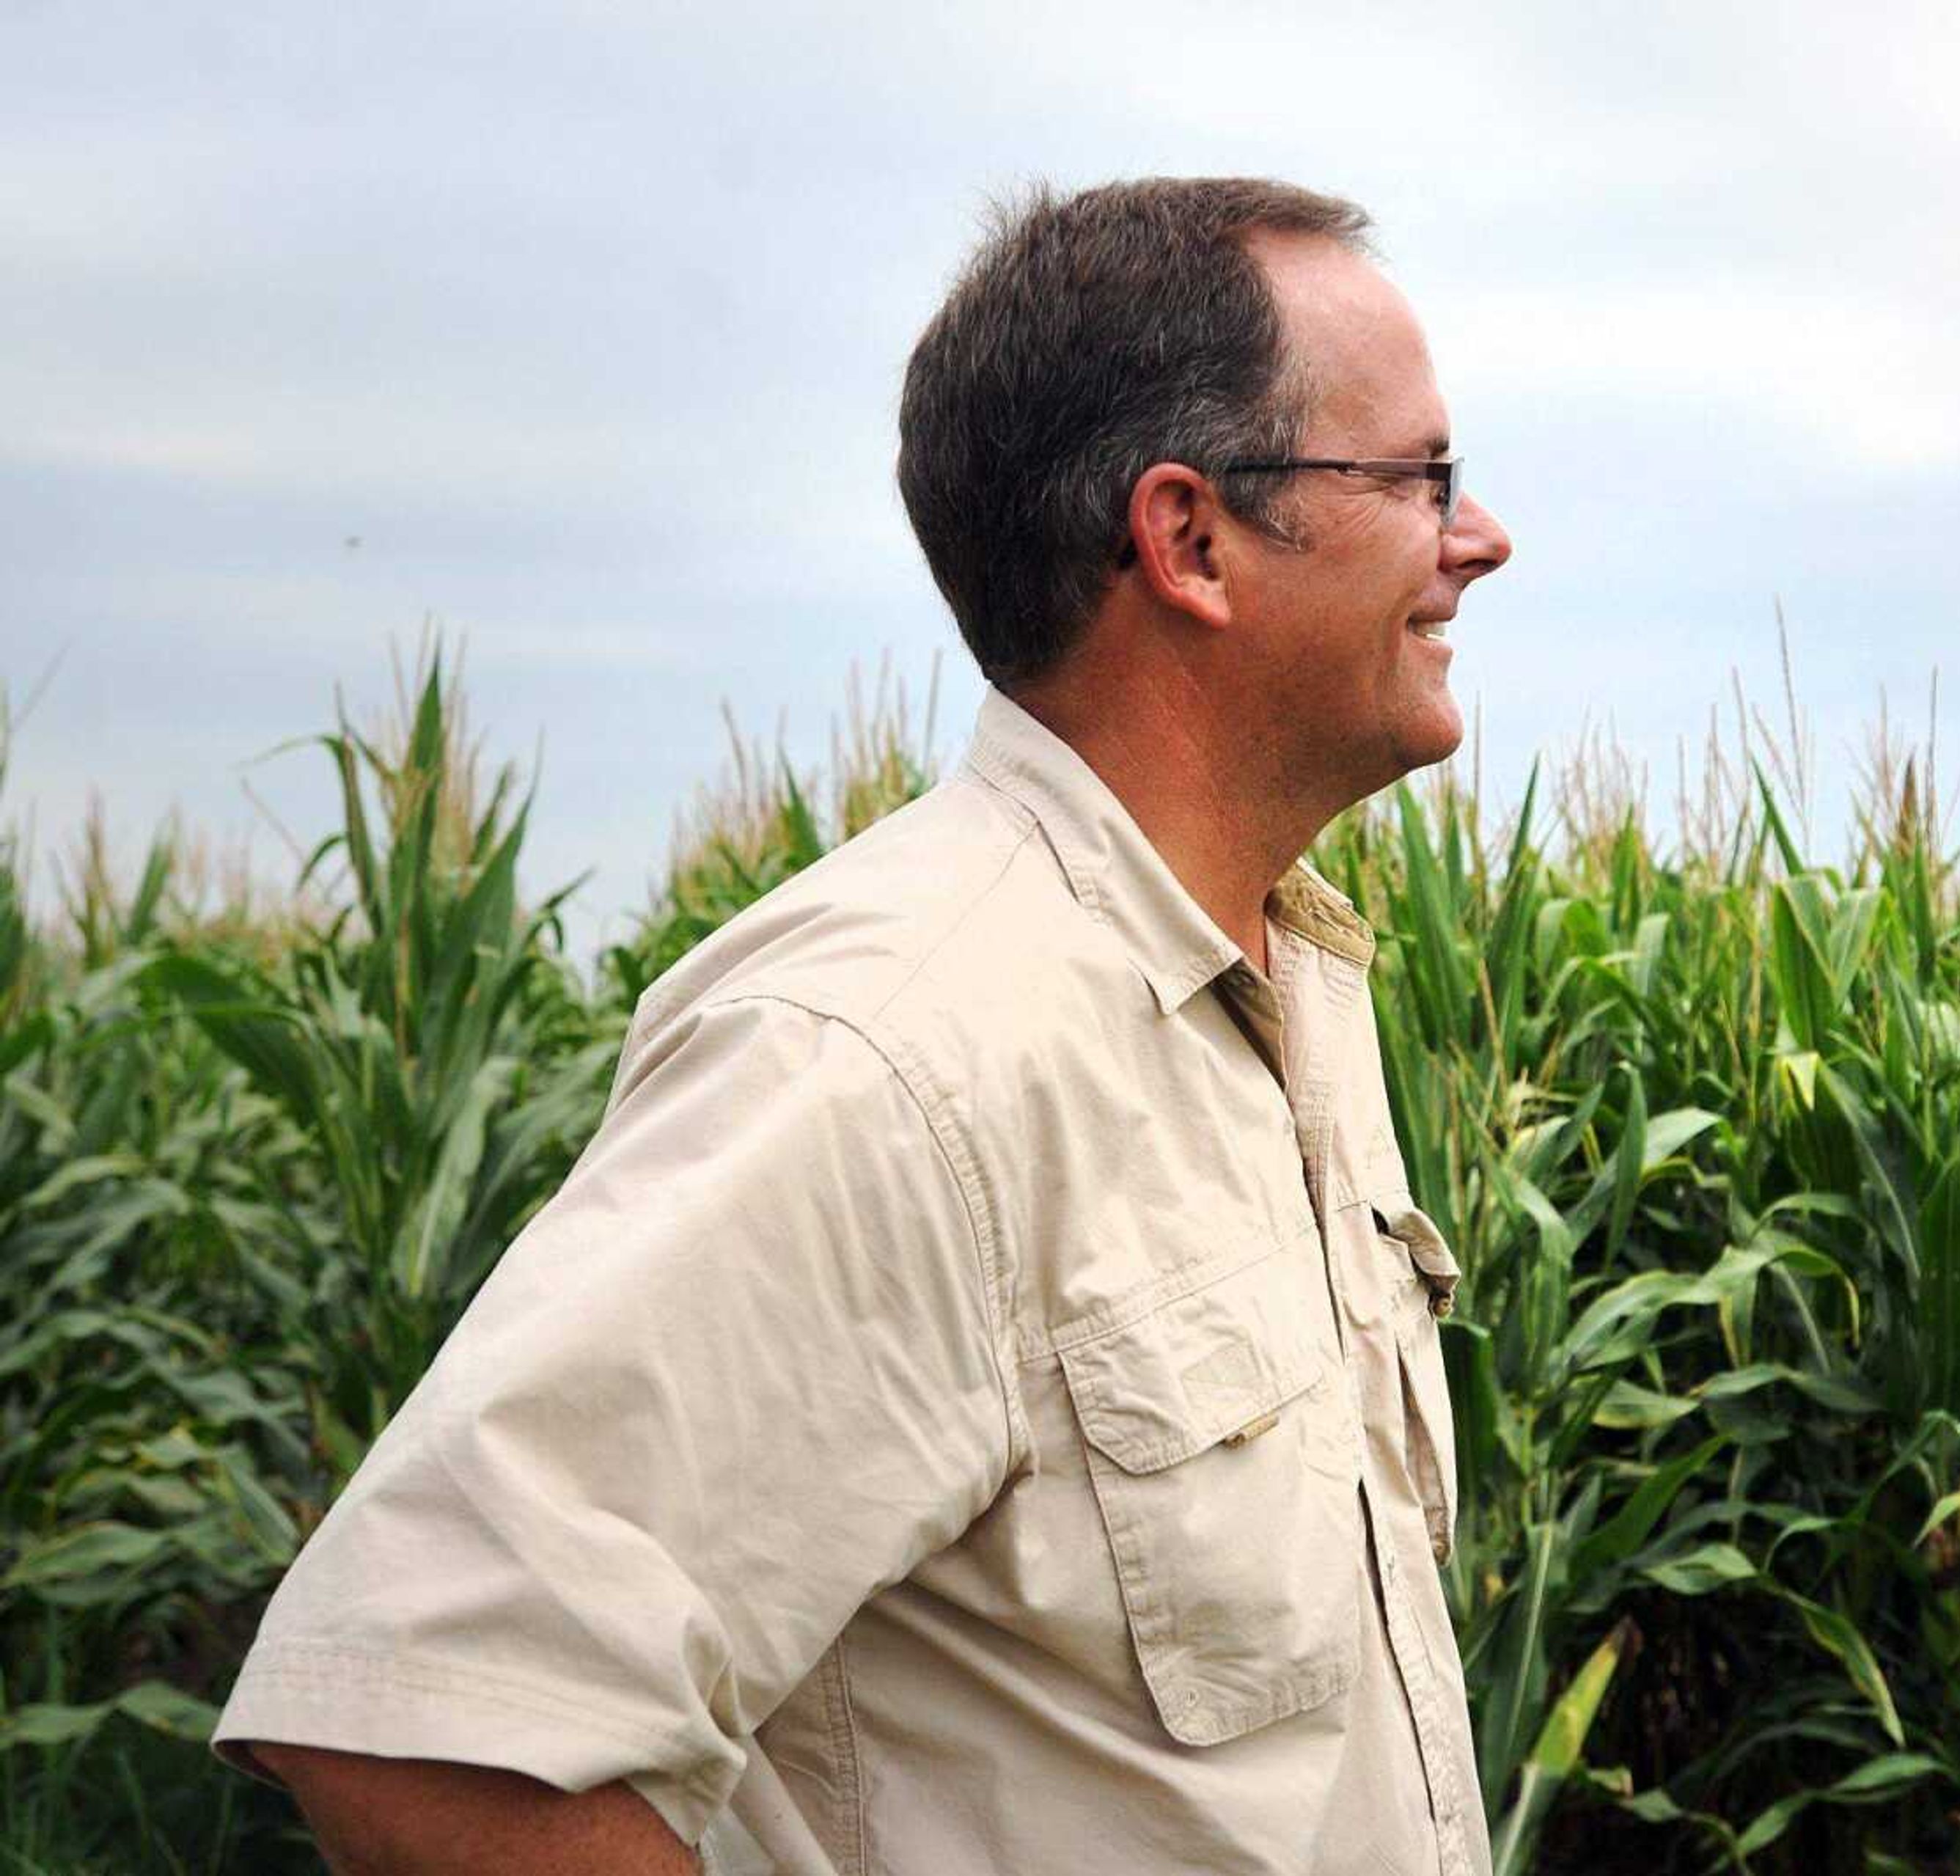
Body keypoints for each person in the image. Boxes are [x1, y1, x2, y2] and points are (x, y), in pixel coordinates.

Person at [211, 175, 1515, 1874]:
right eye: (1419, 478)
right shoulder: (894, 1051)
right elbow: (435, 1721)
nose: (1475, 537)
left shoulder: (1285, 988)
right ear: (1189, 538)